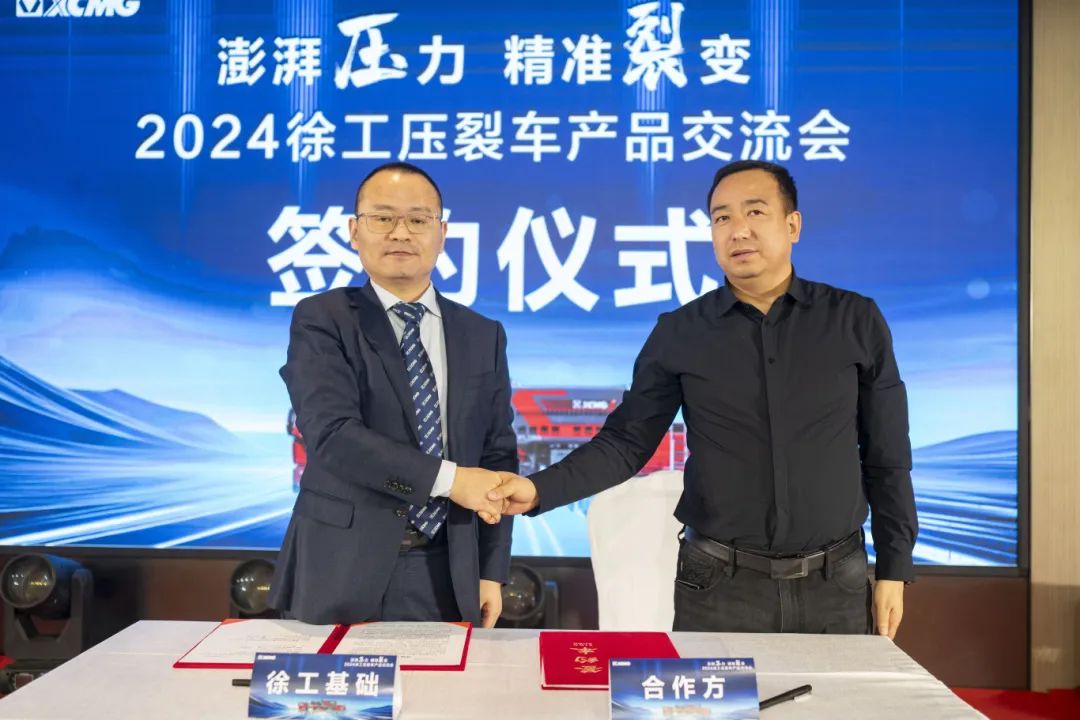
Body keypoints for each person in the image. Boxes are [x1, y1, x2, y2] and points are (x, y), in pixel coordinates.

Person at [489, 160, 917, 638]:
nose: (738, 230)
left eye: (755, 212)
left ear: (792, 224)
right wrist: (539, 490)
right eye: (722, 218)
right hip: (719, 587)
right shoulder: (681, 332)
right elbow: (626, 443)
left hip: (836, 582)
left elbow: (887, 455)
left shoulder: (855, 321)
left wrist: (895, 567)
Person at [268, 162, 514, 627]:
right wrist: (451, 481)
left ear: (442, 233)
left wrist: (491, 570)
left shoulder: (483, 335)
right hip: (340, 566)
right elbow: (333, 435)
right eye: (383, 218)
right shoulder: (323, 319)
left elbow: (497, 454)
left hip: (450, 570)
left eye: (418, 219)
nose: (401, 232)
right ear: (354, 231)